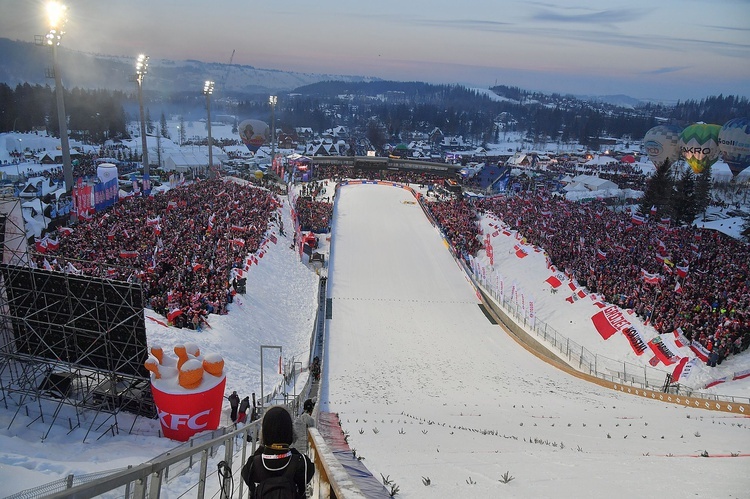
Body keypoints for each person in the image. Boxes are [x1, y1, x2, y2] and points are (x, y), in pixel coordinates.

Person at [241, 406, 315, 498]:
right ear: (290, 431)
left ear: (264, 432)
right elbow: (309, 472)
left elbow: (246, 472)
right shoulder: (302, 463)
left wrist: (263, 445)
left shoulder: (253, 465)